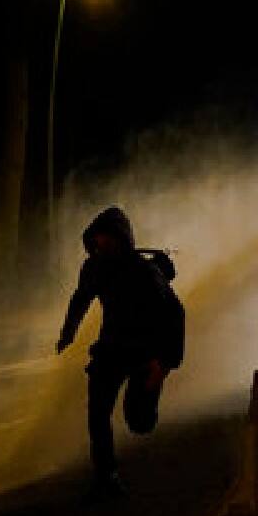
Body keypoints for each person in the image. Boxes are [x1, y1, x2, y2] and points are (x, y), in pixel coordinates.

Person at [57, 207, 185, 498]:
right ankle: (106, 476)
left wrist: (163, 365)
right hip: (111, 349)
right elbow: (81, 299)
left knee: (140, 422)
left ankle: (147, 399)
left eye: (106, 239)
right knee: (98, 413)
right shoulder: (94, 268)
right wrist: (68, 333)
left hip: (144, 353)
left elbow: (175, 314)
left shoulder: (145, 272)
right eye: (97, 240)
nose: (100, 245)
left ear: (120, 239)